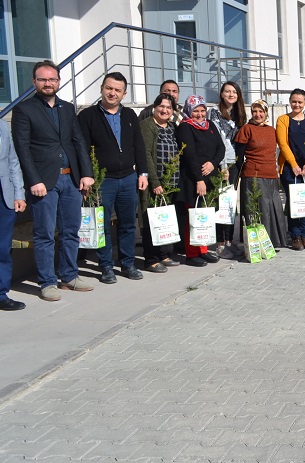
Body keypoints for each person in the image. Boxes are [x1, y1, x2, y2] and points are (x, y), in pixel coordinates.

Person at [11, 60, 95, 301]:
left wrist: (86, 173)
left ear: (58, 81)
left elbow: (78, 141)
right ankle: (47, 282)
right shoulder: (24, 110)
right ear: (34, 82)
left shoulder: (67, 109)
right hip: (43, 183)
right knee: (45, 234)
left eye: (52, 79)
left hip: (70, 179)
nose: (48, 83)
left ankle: (69, 276)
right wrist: (33, 180)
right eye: (43, 79)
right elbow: (22, 148)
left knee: (71, 230)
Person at [78, 72, 149, 284]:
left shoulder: (129, 115)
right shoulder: (87, 116)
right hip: (102, 180)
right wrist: (87, 175)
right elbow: (81, 148)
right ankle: (106, 266)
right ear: (101, 88)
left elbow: (139, 145)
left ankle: (127, 264)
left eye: (118, 90)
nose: (112, 93)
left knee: (128, 224)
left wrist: (143, 173)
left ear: (124, 94)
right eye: (109, 88)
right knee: (103, 225)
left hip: (128, 177)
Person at [175, 95, 225, 267]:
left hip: (210, 177)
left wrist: (213, 163)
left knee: (205, 216)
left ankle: (203, 250)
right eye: (195, 111)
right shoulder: (185, 127)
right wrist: (199, 179)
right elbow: (189, 155)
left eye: (202, 110)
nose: (200, 114)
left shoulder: (210, 125)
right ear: (189, 111)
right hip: (193, 179)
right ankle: (191, 253)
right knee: (193, 217)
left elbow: (221, 147)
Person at [234, 100, 288, 250]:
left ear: (265, 113)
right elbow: (239, 154)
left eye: (261, 111)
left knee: (272, 208)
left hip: (271, 174)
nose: (258, 115)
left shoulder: (272, 130)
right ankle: (256, 244)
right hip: (253, 175)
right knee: (257, 209)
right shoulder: (246, 129)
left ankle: (273, 242)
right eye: (254, 111)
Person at [139, 94, 182, 273]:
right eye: (161, 106)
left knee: (166, 220)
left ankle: (164, 253)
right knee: (152, 221)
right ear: (154, 107)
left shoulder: (172, 126)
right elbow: (146, 155)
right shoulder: (148, 126)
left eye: (169, 108)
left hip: (171, 181)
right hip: (155, 183)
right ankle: (151, 259)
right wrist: (155, 181)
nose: (165, 110)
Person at [207, 81, 246, 259]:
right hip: (221, 164)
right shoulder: (214, 112)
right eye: (227, 91)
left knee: (230, 203)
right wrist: (222, 166)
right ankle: (220, 244)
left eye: (234, 92)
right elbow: (218, 141)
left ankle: (229, 241)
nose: (231, 94)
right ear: (221, 94)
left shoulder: (239, 115)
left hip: (234, 164)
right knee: (221, 204)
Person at [276, 89, 305, 251]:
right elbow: (282, 143)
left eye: (300, 102)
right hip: (289, 168)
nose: (297, 104)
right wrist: (294, 164)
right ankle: (295, 235)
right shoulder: (283, 120)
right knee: (294, 202)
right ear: (289, 101)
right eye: (294, 101)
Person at [0, 118, 27, 311]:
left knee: (3, 249)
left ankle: (1, 294)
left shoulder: (2, 124)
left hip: (4, 196)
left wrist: (19, 193)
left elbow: (12, 160)